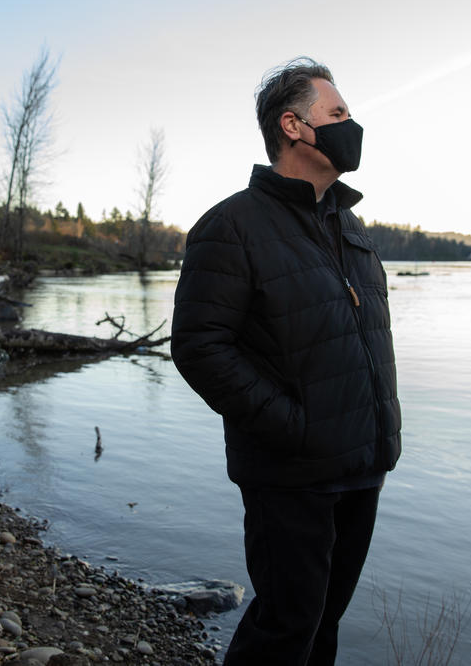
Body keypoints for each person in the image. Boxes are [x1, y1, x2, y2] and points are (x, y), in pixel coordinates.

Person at [171, 57, 401, 665]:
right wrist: (292, 428)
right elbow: (199, 347)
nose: (352, 125)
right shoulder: (232, 226)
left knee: (322, 626)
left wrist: (376, 431)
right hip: (291, 470)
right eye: (339, 113)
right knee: (285, 628)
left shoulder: (349, 226)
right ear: (294, 126)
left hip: (360, 465)